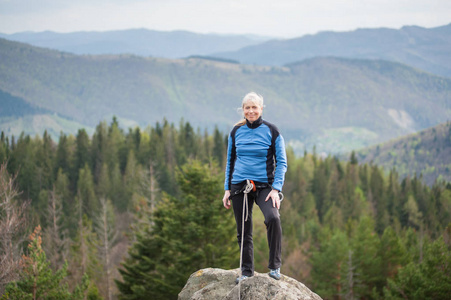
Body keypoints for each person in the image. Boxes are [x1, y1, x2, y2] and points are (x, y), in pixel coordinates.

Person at [222, 92, 288, 283]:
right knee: (243, 229)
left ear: (261, 108)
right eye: (247, 107)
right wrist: (227, 189)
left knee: (273, 218)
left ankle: (275, 267)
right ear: (243, 110)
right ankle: (246, 272)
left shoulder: (272, 131)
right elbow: (230, 161)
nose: (251, 111)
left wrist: (276, 189)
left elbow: (282, 162)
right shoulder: (235, 131)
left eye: (254, 107)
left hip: (265, 185)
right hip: (239, 186)